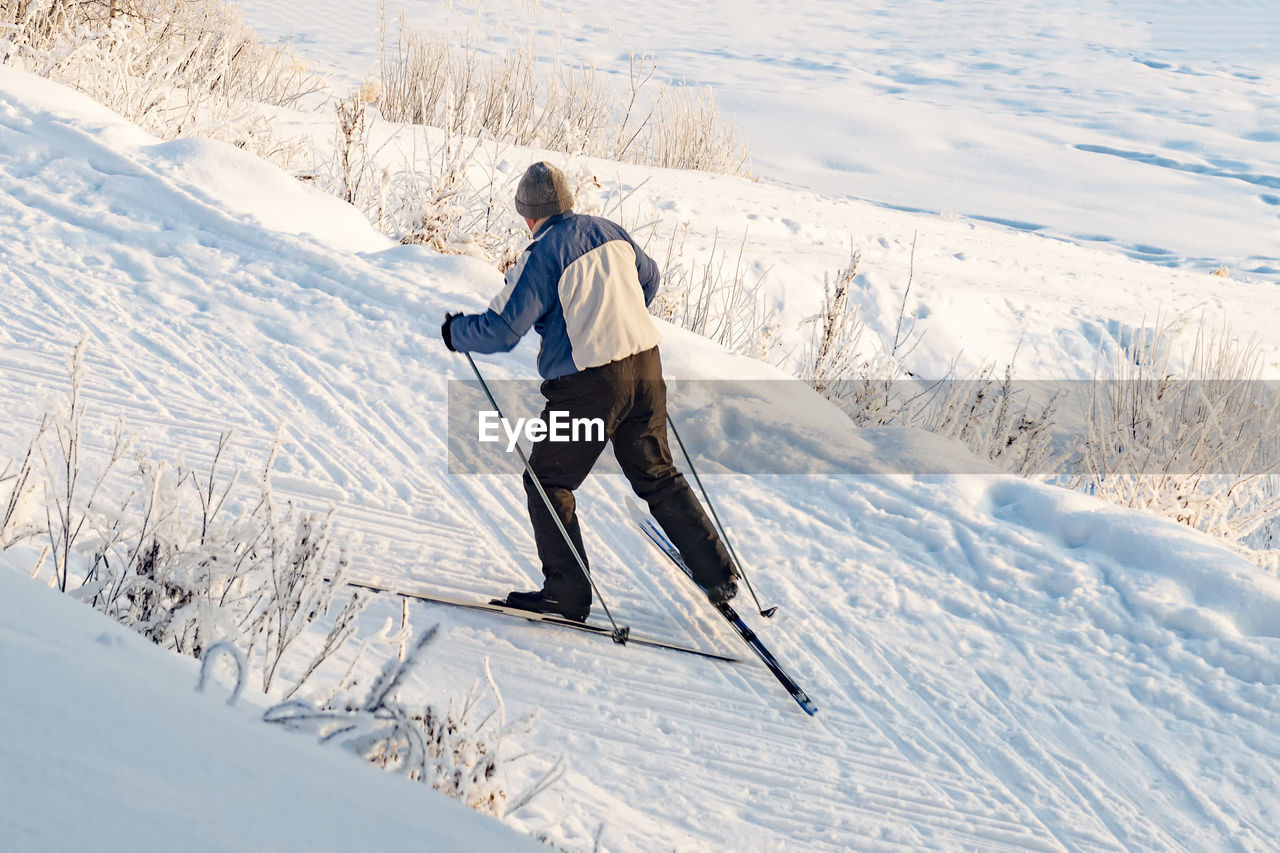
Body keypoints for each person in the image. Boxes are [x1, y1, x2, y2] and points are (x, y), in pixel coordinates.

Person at [441, 161, 737, 622]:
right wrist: (615, 315)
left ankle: (566, 592)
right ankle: (718, 571)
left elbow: (502, 331)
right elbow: (651, 277)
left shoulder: (541, 255)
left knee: (548, 480)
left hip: (591, 384)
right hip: (645, 365)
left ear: (528, 214)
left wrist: (456, 333)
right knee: (657, 474)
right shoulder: (609, 230)